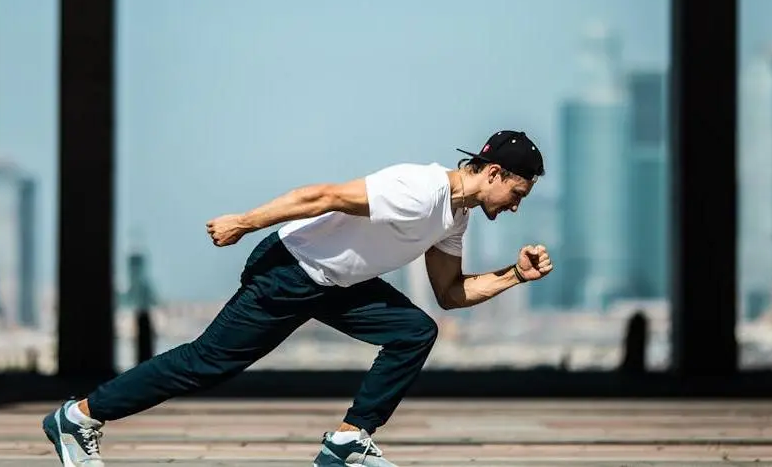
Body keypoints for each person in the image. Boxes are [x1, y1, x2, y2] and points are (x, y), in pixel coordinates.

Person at [43, 129, 554, 467]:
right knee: (207, 363)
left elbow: (449, 293)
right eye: (516, 195)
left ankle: (348, 442)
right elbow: (322, 196)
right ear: (493, 174)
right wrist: (243, 222)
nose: (513, 208)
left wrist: (515, 275)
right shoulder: (419, 189)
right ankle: (79, 417)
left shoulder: (454, 217)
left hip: (336, 285)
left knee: (415, 331)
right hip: (289, 271)